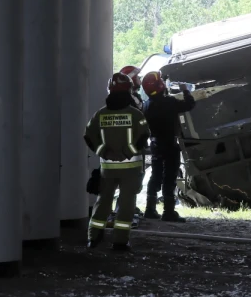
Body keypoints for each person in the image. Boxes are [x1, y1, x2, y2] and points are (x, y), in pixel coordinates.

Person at [84, 73, 151, 252]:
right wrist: (125, 153)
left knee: (102, 201)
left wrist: (105, 152)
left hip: (107, 168)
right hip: (131, 168)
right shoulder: (136, 114)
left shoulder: (100, 114)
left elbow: (88, 137)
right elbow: (144, 137)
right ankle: (120, 242)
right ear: (129, 90)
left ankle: (93, 238)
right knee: (127, 204)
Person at [141, 71, 195, 222]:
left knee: (156, 175)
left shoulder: (146, 106)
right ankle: (168, 211)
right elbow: (190, 105)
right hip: (170, 145)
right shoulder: (169, 102)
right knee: (169, 176)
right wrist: (185, 90)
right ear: (161, 86)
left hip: (155, 144)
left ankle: (150, 209)